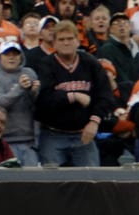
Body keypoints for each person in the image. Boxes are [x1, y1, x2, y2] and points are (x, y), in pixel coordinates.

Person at [34, 19, 114, 167]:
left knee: (91, 182)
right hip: (53, 134)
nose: (66, 43)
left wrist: (94, 122)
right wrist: (73, 96)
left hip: (83, 133)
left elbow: (105, 95)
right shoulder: (46, 64)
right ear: (55, 43)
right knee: (51, 184)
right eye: (61, 39)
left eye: (70, 39)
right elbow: (44, 100)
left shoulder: (90, 63)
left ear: (78, 41)